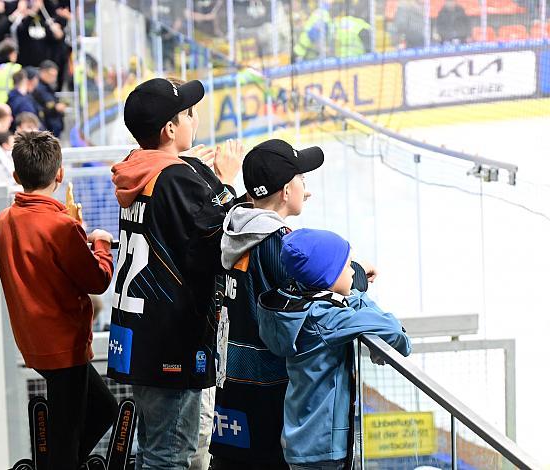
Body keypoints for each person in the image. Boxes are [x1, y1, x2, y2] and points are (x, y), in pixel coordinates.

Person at [212, 139, 374, 470]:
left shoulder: (233, 229)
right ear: (286, 190)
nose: (306, 187)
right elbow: (312, 291)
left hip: (229, 380)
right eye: (302, 179)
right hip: (267, 384)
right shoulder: (276, 242)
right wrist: (356, 275)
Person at [107, 77, 242, 469]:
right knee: (170, 458)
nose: (194, 120)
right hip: (172, 343)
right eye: (188, 113)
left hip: (140, 338)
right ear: (169, 128)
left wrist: (193, 171)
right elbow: (219, 240)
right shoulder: (173, 177)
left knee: (156, 451)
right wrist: (225, 183)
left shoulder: (141, 170)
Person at [0, 130, 118, 470]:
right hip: (65, 346)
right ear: (60, 174)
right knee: (67, 435)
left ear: (17, 176)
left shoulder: (4, 221)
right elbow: (97, 279)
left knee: (103, 408)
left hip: (34, 345)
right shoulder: (62, 226)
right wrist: (101, 245)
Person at [257, 229, 412, 470]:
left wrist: (351, 295)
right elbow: (393, 331)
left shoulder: (301, 302)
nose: (353, 271)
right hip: (324, 445)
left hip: (302, 438)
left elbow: (344, 300)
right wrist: (359, 298)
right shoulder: (325, 319)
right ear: (327, 274)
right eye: (348, 265)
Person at [33, 60, 66, 137]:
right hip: (47, 128)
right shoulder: (38, 88)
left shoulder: (48, 87)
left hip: (52, 128)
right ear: (43, 72)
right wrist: (56, 108)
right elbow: (44, 107)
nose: (54, 78)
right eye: (52, 75)